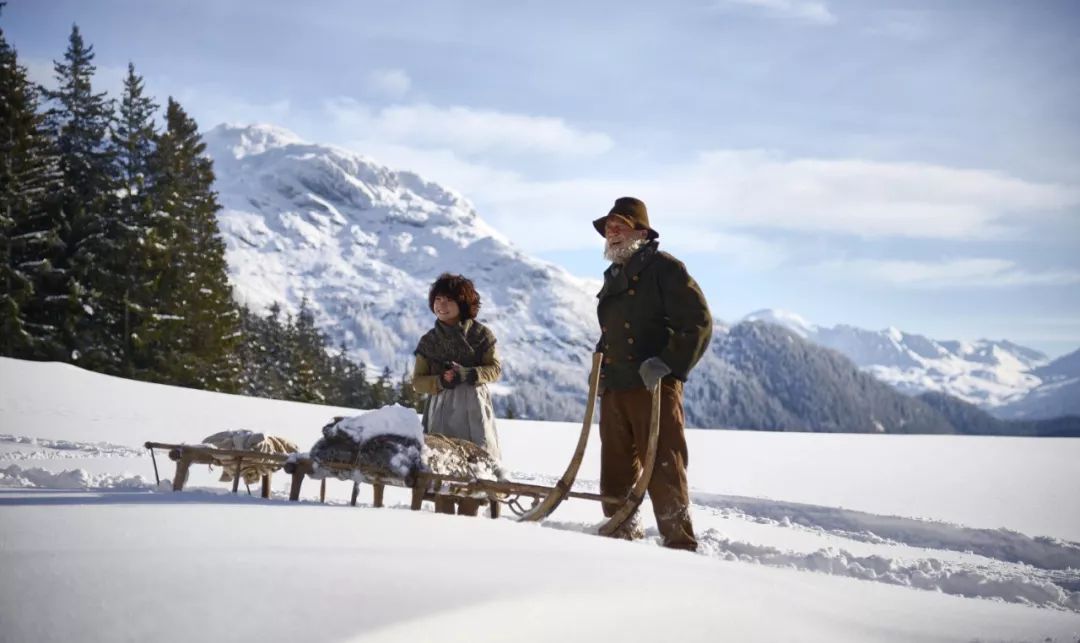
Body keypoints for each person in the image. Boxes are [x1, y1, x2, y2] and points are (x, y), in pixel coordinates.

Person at [593, 197, 712, 550]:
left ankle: (679, 541)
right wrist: (600, 363)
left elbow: (698, 323)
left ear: (641, 232)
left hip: (654, 386)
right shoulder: (614, 274)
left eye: (619, 226)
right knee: (614, 470)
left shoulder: (665, 269)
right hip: (616, 386)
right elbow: (611, 330)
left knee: (663, 466)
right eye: (608, 228)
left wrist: (668, 362)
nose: (611, 234)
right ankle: (619, 531)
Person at [412, 273, 502, 516]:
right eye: (438, 299)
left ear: (463, 303)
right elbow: (418, 382)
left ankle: (469, 521)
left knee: (476, 468)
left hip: (474, 408)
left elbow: (494, 369)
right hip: (441, 408)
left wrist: (468, 374)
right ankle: (443, 521)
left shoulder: (482, 336)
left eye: (449, 300)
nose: (441, 305)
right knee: (442, 468)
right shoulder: (429, 342)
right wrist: (440, 380)